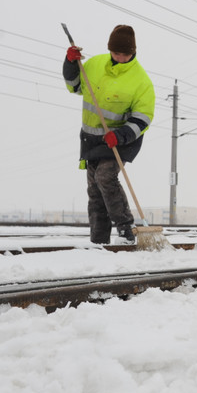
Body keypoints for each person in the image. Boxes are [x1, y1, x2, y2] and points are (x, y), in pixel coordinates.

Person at [62, 24, 155, 244]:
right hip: (91, 139)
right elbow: (74, 87)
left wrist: (120, 135)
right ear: (109, 49)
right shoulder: (94, 65)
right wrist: (70, 63)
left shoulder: (141, 81)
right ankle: (99, 241)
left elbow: (143, 118)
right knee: (94, 190)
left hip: (121, 141)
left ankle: (126, 230)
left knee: (105, 177)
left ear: (133, 52)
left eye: (126, 54)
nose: (121, 58)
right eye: (116, 53)